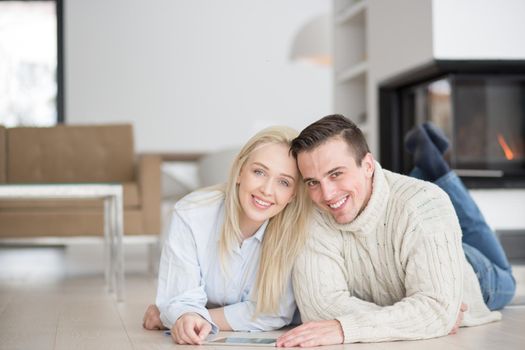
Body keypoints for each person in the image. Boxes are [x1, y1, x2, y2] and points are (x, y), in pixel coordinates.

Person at [276, 114, 516, 347]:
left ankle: (438, 171)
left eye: (336, 174)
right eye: (312, 182)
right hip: (407, 245)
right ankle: (425, 169)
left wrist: (344, 327)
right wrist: (418, 318)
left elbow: (435, 308)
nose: (326, 194)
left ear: (368, 165)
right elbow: (321, 307)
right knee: (413, 208)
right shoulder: (312, 214)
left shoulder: (425, 203)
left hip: (472, 271)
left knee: (506, 278)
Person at [142, 126, 311, 345]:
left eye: (284, 182)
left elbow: (273, 311)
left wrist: (191, 317)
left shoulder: (298, 228)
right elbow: (181, 297)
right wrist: (183, 314)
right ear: (240, 170)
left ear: (293, 195)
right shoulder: (191, 214)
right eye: (259, 172)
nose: (267, 190)